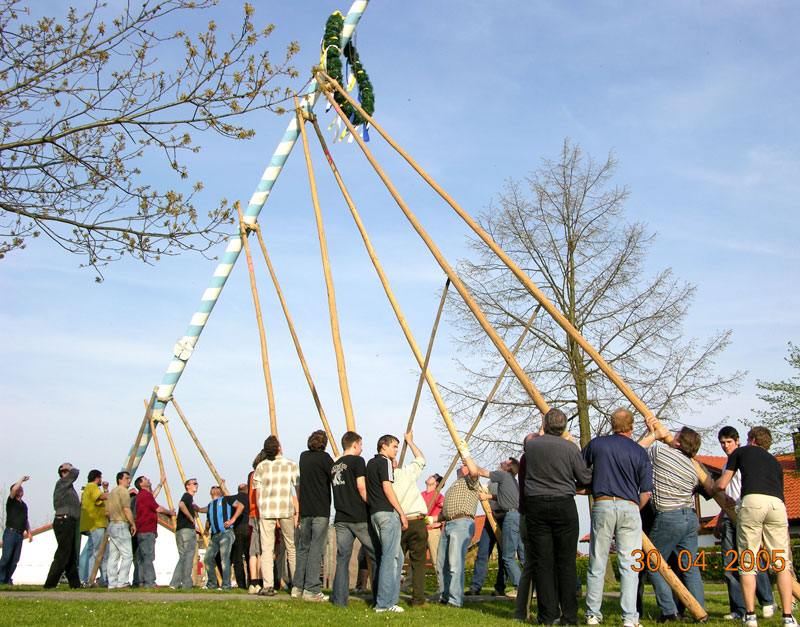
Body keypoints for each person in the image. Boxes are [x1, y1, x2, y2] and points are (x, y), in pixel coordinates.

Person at [714, 427, 796, 627]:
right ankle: (787, 617)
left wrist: (714, 489)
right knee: (782, 564)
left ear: (750, 439)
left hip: (753, 502)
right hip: (778, 506)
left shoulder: (741, 452)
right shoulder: (775, 462)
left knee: (748, 561)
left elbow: (723, 484)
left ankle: (750, 616)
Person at [582, 408, 654, 627]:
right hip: (630, 506)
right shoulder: (639, 451)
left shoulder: (597, 444)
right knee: (629, 564)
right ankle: (630, 618)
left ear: (612, 425)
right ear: (632, 427)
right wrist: (634, 508)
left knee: (597, 560)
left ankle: (593, 614)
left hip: (603, 503)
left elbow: (578, 468)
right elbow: (646, 491)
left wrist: (591, 484)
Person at [524, 408, 592, 626]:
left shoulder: (531, 446)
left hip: (536, 505)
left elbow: (539, 436)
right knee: (566, 563)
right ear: (564, 428)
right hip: (564, 504)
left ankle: (547, 615)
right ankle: (570, 617)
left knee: (543, 562)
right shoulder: (570, 448)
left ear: (544, 425)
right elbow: (584, 477)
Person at [640, 417, 712, 621]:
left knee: (654, 563)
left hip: (669, 517)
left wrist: (653, 434)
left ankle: (669, 611)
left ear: (678, 442)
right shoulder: (693, 466)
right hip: (690, 517)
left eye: (676, 436)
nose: (672, 437)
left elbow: (634, 450)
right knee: (689, 567)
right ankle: (701, 612)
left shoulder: (660, 452)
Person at [330, 430, 377, 608]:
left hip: (341, 517)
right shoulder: (358, 461)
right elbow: (361, 486)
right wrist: (372, 504)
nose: (362, 448)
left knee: (342, 559)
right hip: (358, 516)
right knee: (376, 554)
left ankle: (340, 601)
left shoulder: (334, 465)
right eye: (361, 445)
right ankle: (380, 597)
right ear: (355, 444)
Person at [437, 446, 485, 609]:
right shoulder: (453, 486)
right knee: (442, 563)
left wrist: (466, 454)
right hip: (448, 523)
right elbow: (444, 512)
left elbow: (474, 472)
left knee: (455, 562)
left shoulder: (471, 482)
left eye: (464, 464)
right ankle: (444, 596)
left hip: (462, 523)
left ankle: (455, 600)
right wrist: (432, 519)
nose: (461, 465)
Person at [253, 434, 299, 597]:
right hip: (285, 507)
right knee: (291, 546)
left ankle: (268, 585)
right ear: (279, 448)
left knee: (266, 547)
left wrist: (259, 510)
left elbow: (258, 493)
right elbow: (297, 486)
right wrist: (298, 508)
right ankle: (295, 583)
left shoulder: (261, 467)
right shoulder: (290, 464)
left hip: (266, 509)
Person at [366, 433, 408, 614]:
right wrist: (401, 512)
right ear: (384, 446)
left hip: (375, 513)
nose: (396, 451)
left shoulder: (370, 463)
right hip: (387, 514)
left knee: (398, 556)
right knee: (389, 558)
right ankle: (383, 603)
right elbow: (387, 488)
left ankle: (391, 599)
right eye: (394, 447)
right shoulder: (385, 462)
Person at [293, 430, 334, 602]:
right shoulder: (325, 459)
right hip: (320, 509)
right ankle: (311, 589)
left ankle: (297, 587)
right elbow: (334, 475)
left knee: (303, 548)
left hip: (306, 509)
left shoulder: (304, 457)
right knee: (317, 549)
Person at [477, 457, 523, 597]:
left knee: (507, 556)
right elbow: (505, 498)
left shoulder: (503, 475)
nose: (502, 463)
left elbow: (481, 472)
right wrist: (489, 496)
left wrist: (466, 456)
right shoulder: (514, 483)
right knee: (523, 556)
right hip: (518, 516)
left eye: (505, 462)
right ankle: (533, 588)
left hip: (510, 517)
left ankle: (520, 588)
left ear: (508, 468)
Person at [393, 431, 429, 607]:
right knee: (418, 563)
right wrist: (411, 442)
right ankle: (418, 600)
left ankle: (390, 597)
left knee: (394, 562)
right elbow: (421, 459)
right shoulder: (406, 473)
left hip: (399, 522)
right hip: (415, 520)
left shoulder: (386, 480)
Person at [465, 480, 507, 597]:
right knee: (482, 553)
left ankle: (500, 587)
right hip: (490, 517)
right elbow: (479, 489)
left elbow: (508, 498)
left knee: (503, 555)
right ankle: (475, 586)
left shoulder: (510, 483)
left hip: (504, 517)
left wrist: (488, 496)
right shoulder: (491, 482)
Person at [44, 463, 82, 588]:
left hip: (68, 522)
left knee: (70, 555)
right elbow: (75, 472)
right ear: (63, 473)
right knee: (63, 554)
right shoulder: (61, 483)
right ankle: (50, 583)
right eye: (66, 471)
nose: (69, 473)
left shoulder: (68, 488)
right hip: (64, 522)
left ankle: (75, 584)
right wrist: (69, 467)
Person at [133, 475, 174, 588]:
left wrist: (160, 484)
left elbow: (153, 497)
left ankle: (139, 581)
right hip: (147, 529)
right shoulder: (145, 495)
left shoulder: (143, 496)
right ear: (141, 484)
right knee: (148, 556)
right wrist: (170, 512)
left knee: (142, 557)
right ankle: (150, 582)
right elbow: (158, 508)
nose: (148, 479)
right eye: (145, 479)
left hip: (142, 530)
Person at [204, 485, 244, 590]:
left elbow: (240, 506)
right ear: (210, 492)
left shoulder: (227, 499)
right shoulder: (210, 505)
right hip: (215, 535)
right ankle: (211, 583)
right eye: (213, 487)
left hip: (226, 533)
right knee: (208, 559)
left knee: (224, 559)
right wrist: (206, 530)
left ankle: (226, 585)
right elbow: (208, 520)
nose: (215, 488)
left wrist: (232, 520)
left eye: (217, 487)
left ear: (221, 491)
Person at [169, 477, 204, 589]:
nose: (196, 485)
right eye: (193, 483)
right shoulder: (187, 496)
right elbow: (181, 505)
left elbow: (197, 508)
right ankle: (186, 584)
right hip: (187, 530)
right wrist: (190, 516)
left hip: (180, 530)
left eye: (197, 483)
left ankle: (174, 584)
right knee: (188, 556)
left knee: (183, 557)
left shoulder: (190, 500)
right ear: (188, 486)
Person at [79, 469, 109, 587]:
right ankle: (89, 580)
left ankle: (102, 580)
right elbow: (101, 497)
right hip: (95, 524)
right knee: (94, 552)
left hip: (97, 524)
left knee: (102, 553)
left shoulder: (90, 488)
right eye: (100, 478)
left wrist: (106, 490)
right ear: (97, 478)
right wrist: (114, 493)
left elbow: (102, 499)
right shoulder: (92, 487)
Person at [106, 471, 136, 589]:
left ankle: (112, 583)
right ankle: (122, 582)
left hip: (112, 524)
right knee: (127, 555)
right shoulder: (123, 491)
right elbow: (126, 509)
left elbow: (107, 512)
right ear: (120, 480)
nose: (129, 480)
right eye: (127, 478)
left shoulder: (112, 492)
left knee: (113, 557)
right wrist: (132, 523)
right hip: (121, 525)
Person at [0, 475, 32, 584]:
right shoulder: (11, 501)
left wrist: (29, 533)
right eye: (19, 488)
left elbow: (25, 519)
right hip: (10, 533)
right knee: (6, 558)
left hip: (19, 534)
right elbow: (14, 489)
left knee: (14, 560)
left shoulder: (24, 505)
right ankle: (1, 579)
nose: (21, 490)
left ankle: (8, 579)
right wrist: (21, 481)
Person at [247, 449, 267, 594]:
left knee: (253, 550)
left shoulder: (251, 475)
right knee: (260, 549)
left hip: (252, 512)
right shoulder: (263, 474)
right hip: (261, 512)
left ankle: (253, 582)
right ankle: (259, 580)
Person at [421, 472, 444, 590]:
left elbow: (445, 509)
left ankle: (441, 585)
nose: (429, 476)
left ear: (436, 484)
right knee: (417, 558)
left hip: (433, 531)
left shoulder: (438, 496)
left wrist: (438, 521)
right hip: (421, 530)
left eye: (433, 478)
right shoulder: (421, 495)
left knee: (436, 559)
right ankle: (407, 585)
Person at [231, 483, 250, 590]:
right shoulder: (249, 498)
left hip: (238, 527)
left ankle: (241, 584)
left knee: (237, 558)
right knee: (249, 556)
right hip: (249, 526)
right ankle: (252, 582)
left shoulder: (234, 498)